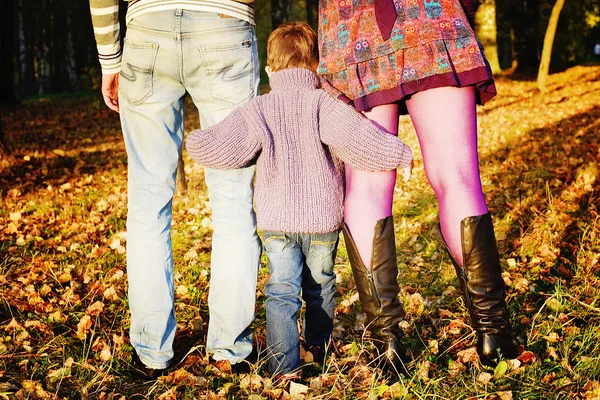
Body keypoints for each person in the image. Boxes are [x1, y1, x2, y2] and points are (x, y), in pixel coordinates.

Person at [186, 21, 413, 380]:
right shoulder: (323, 103)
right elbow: (358, 139)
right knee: (320, 287)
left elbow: (226, 143)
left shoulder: (261, 108)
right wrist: (398, 153)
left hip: (276, 222)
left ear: (269, 69)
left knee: (281, 291)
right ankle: (318, 350)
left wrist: (195, 142)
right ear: (315, 66)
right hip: (321, 219)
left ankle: (283, 368)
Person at [317, 0, 519, 369]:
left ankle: (387, 344)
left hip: (352, 27)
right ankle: (494, 334)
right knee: (456, 175)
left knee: (366, 186)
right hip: (430, 16)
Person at [89, 0, 262, 379]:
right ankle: (230, 351)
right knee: (234, 202)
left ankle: (152, 351)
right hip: (225, 24)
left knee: (148, 200)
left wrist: (109, 59)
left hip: (147, 27)